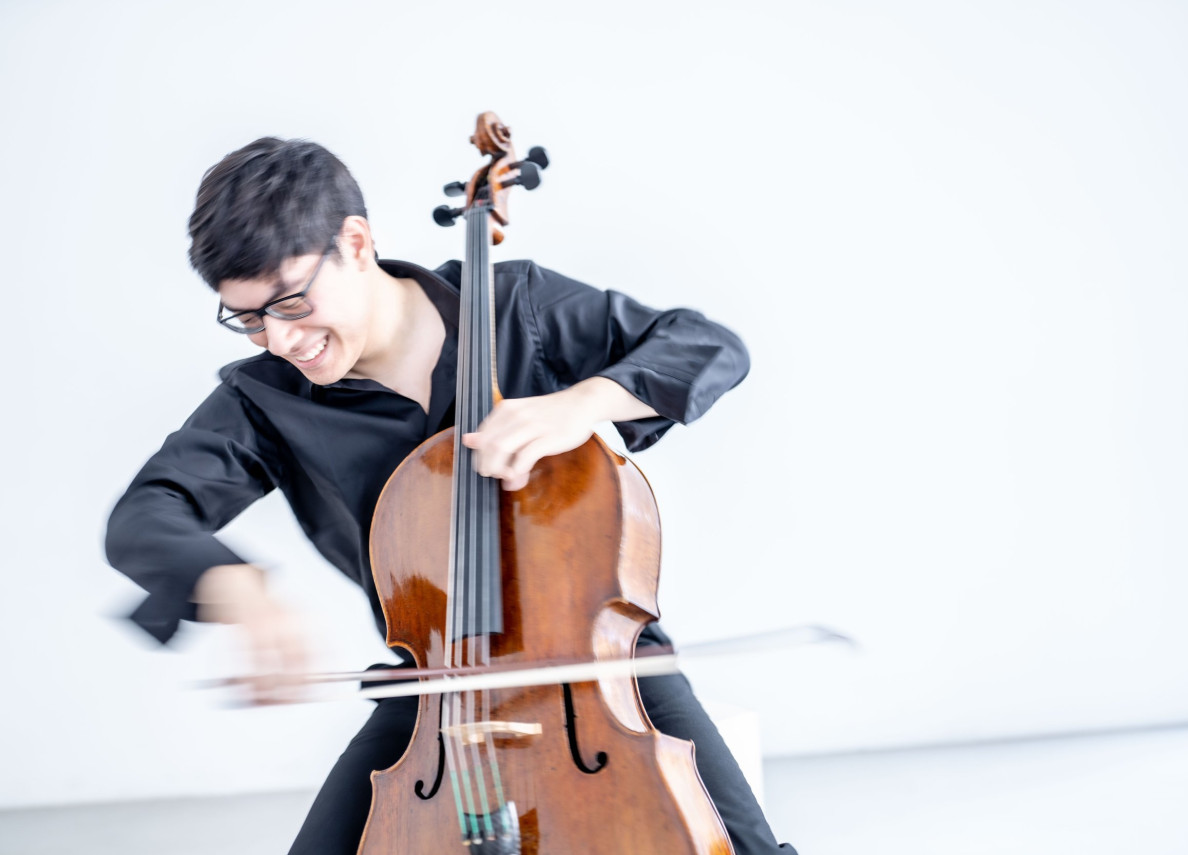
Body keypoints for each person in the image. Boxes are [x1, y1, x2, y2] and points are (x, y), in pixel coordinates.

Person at [105, 136, 793, 854]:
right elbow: (145, 513)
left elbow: (707, 345)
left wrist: (582, 404)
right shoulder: (264, 400)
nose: (279, 339)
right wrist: (235, 587)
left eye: (291, 301)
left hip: (607, 677)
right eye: (249, 318)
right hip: (436, 695)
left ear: (357, 241)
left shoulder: (513, 307)